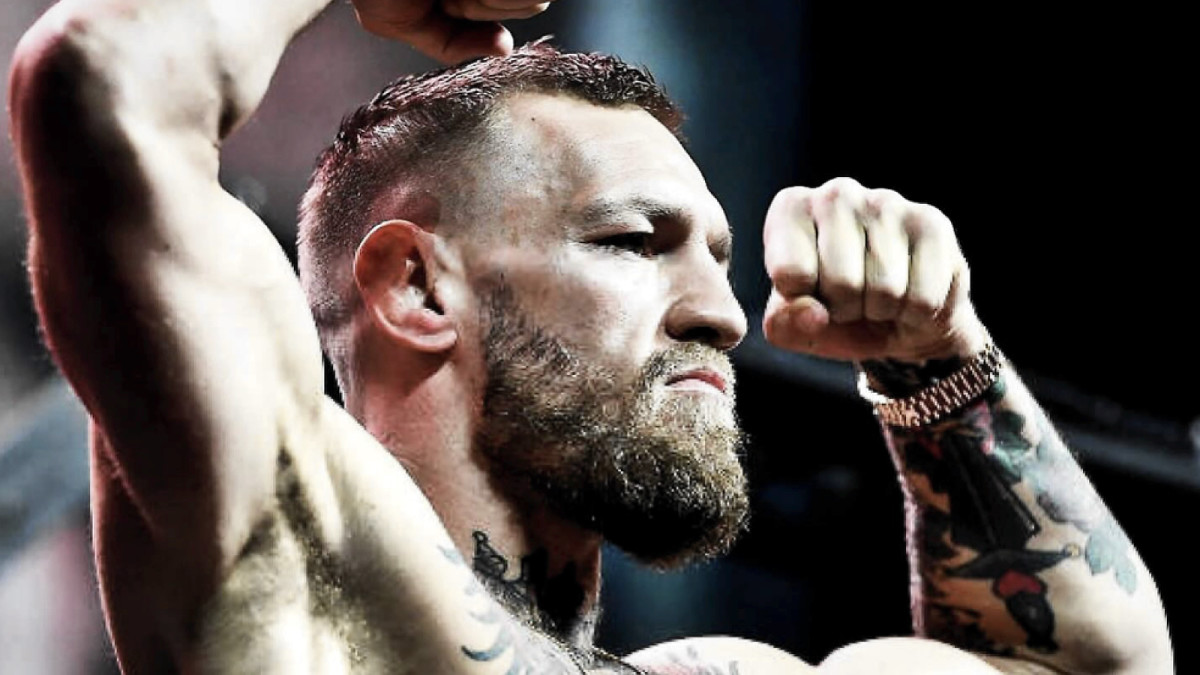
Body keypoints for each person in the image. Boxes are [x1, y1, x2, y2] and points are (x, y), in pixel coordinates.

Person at [9, 0, 1172, 673]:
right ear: (416, 286)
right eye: (630, 241)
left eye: (717, 257)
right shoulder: (312, 581)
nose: (723, 314)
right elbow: (102, 80)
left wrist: (939, 361)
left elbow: (1087, 665)